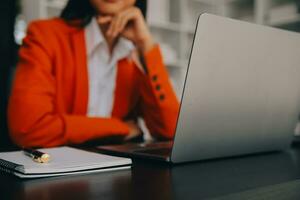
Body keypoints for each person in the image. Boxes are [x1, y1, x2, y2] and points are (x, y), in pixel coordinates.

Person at [8, 0, 179, 148]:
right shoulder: (45, 35)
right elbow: (28, 129)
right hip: (54, 174)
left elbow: (171, 131)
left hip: (118, 175)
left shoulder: (135, 54)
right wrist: (120, 128)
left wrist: (146, 44)